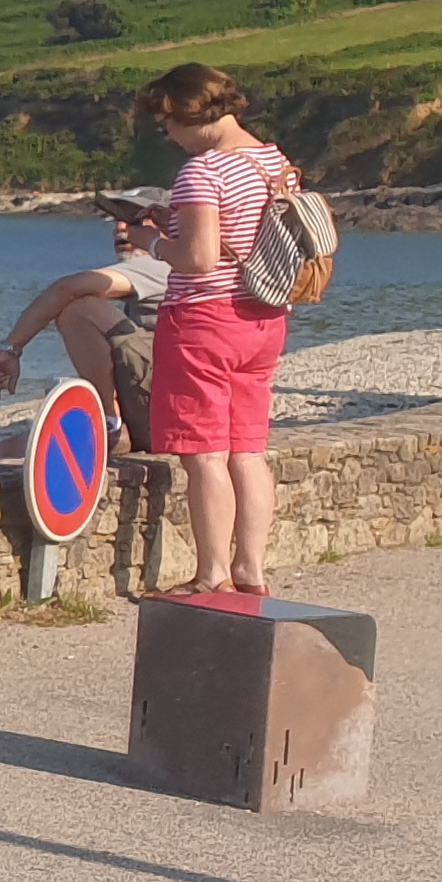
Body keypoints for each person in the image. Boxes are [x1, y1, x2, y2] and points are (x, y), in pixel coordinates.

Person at [135, 63, 301, 595]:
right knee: (247, 450)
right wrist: (177, 222)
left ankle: (212, 573)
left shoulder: (202, 171)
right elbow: (244, 231)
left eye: (166, 123)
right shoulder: (276, 162)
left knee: (204, 453)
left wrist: (148, 242)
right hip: (264, 316)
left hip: (204, 320)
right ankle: (251, 568)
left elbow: (199, 258)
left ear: (185, 113)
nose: (168, 135)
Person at [0, 190, 174, 448]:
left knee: (79, 308)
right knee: (7, 450)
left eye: (135, 221)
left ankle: (110, 422)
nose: (120, 228)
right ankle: (109, 419)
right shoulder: (176, 268)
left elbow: (67, 288)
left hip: (165, 414)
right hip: (161, 408)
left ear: (166, 226)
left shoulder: (161, 265)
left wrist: (10, 349)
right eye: (117, 220)